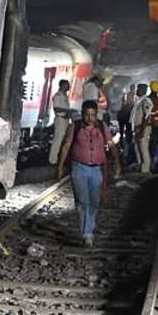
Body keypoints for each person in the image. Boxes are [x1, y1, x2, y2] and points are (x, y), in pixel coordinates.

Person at [57, 99, 120, 247]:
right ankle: (87, 233)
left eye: (92, 115)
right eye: (86, 115)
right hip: (79, 168)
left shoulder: (102, 127)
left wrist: (117, 162)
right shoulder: (76, 127)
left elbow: (111, 145)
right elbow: (66, 146)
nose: (89, 118)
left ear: (96, 114)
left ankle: (89, 228)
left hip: (97, 169)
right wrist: (60, 166)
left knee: (94, 201)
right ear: (82, 114)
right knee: (82, 201)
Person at [49, 79, 73, 166]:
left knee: (62, 140)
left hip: (65, 120)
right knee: (57, 140)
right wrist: (68, 110)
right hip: (60, 120)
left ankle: (58, 158)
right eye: (67, 85)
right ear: (62, 85)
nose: (68, 87)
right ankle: (52, 160)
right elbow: (56, 108)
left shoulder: (64, 96)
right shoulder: (58, 96)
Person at [131, 83, 152, 173]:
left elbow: (147, 117)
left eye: (138, 89)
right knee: (138, 149)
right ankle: (140, 168)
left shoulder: (146, 101)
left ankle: (145, 170)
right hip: (137, 128)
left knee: (143, 150)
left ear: (143, 91)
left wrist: (142, 131)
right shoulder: (138, 101)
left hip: (143, 128)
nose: (136, 91)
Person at [117, 84, 137, 164]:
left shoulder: (127, 96)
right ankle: (127, 153)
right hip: (127, 116)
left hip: (124, 116)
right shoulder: (134, 96)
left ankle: (123, 144)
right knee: (129, 136)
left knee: (124, 134)